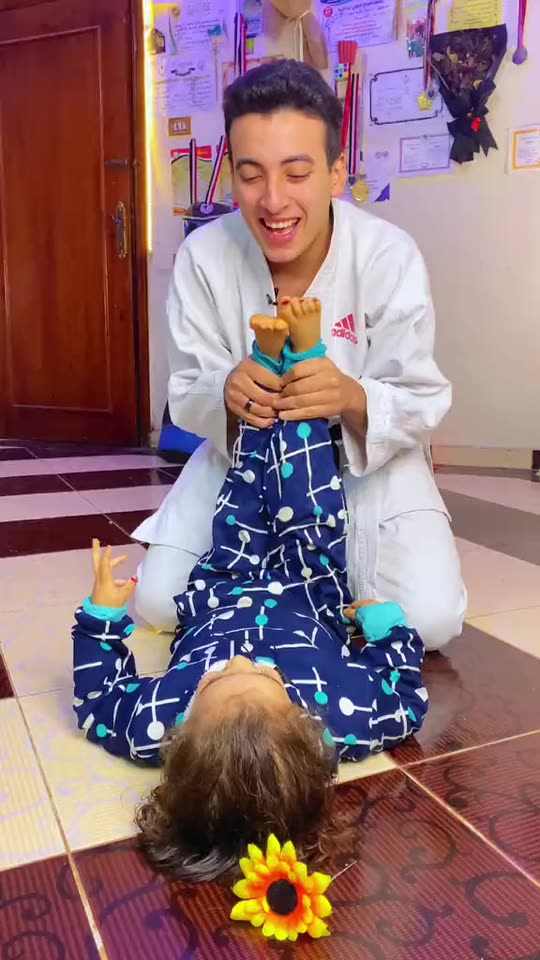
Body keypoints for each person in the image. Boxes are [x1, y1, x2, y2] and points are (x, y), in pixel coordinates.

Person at [72, 301, 428, 882]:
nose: (241, 662)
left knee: (243, 495)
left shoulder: (154, 726)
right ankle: (307, 356)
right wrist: (387, 628)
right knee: (309, 502)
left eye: (213, 682)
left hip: (224, 586)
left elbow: (97, 702)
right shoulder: (345, 721)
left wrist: (101, 621)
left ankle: (265, 368)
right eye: (266, 678)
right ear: (310, 734)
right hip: (308, 591)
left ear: (179, 741)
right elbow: (405, 697)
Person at [133, 58, 466, 649]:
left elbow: (420, 396)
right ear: (231, 175)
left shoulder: (387, 255)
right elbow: (186, 392)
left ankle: (284, 594)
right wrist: (226, 394)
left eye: (296, 173)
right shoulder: (203, 256)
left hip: (363, 466)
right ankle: (293, 594)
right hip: (246, 462)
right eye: (251, 174)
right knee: (159, 603)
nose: (273, 200)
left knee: (429, 618)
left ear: (336, 173)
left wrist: (352, 396)